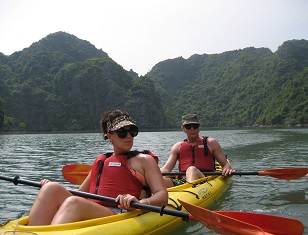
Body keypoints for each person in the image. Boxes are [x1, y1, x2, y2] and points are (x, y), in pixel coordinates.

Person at [28, 110, 168, 225]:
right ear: (110, 136)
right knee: (51, 188)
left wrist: (140, 202)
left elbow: (162, 195)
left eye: (132, 131)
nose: (129, 136)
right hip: (94, 210)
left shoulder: (144, 161)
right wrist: (51, 185)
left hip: (119, 214)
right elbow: (80, 192)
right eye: (122, 133)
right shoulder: (102, 161)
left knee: (74, 203)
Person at [160, 114, 233, 187]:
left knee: (192, 170)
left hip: (205, 179)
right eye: (188, 127)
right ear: (183, 129)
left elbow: (225, 164)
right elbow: (166, 169)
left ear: (199, 126)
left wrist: (226, 169)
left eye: (195, 126)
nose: (192, 129)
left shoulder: (211, 143)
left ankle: (188, 190)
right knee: (154, 181)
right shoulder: (177, 147)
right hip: (182, 181)